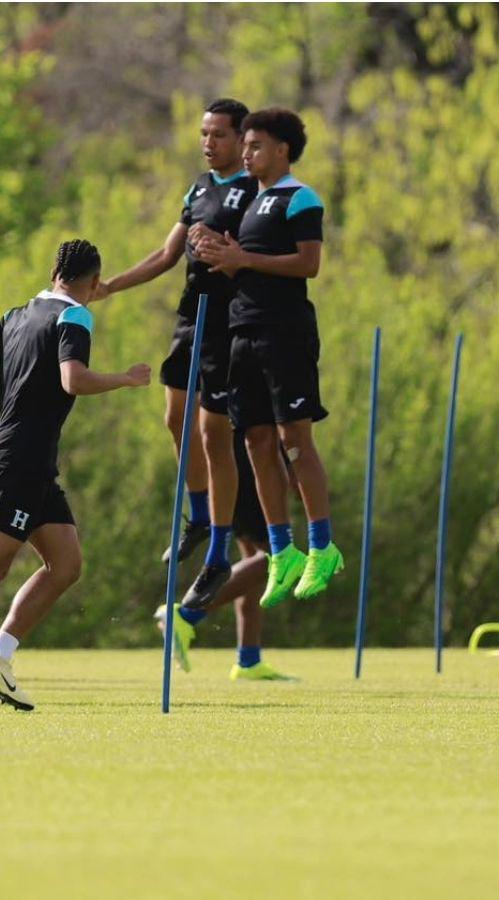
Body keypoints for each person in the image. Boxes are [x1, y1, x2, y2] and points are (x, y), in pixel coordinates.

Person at [100, 98, 259, 609]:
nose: (208, 143)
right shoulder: (198, 188)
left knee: (216, 439)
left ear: (240, 139)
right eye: (204, 134)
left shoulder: (254, 191)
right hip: (191, 319)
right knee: (175, 419)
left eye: (219, 135)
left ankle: (217, 553)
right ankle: (200, 518)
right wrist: (112, 285)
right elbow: (168, 255)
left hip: (228, 326)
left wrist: (229, 253)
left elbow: (258, 262)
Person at [193, 107, 342, 608]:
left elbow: (309, 263)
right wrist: (218, 251)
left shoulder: (300, 197)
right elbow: (245, 267)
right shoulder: (251, 203)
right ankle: (283, 552)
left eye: (255, 145)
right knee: (254, 441)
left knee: (293, 438)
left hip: (285, 333)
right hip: (243, 331)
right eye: (247, 145)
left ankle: (322, 546)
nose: (248, 153)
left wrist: (243, 259)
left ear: (281, 149)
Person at [0, 240, 151, 711]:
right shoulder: (75, 317)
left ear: (54, 272)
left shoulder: (14, 315)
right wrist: (126, 378)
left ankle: (1, 654)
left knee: (65, 564)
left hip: (34, 462)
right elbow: (74, 379)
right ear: (93, 281)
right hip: (19, 459)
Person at [158, 432, 296, 681]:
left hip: (236, 457)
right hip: (251, 459)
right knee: (277, 557)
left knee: (252, 559)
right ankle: (186, 615)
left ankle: (249, 659)